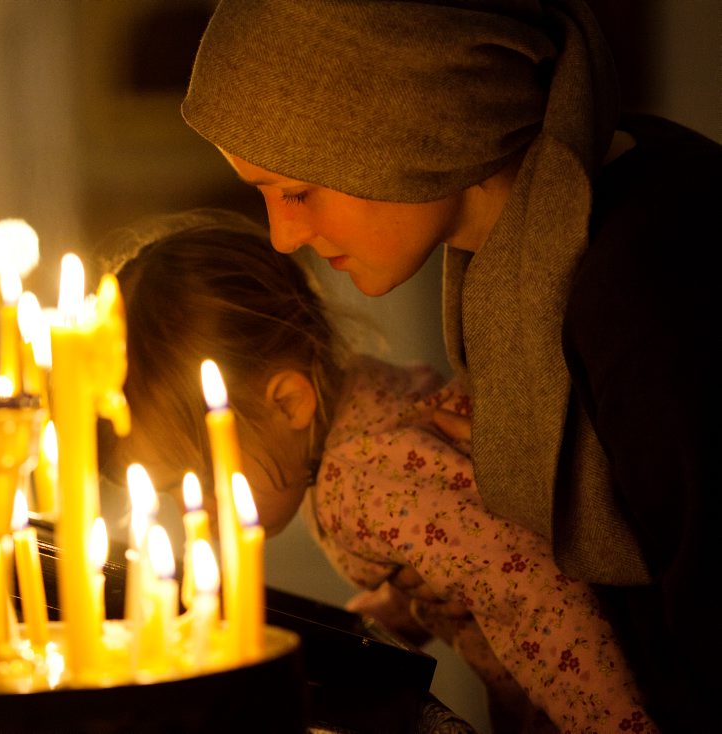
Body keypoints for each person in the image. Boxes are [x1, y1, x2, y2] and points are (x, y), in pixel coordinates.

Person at [178, 1, 721, 731]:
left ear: (411, 123)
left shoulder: (648, 278)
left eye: (298, 190)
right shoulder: (530, 251)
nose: (282, 236)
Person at [98, 209, 656, 733]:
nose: (194, 515)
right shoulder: (357, 398)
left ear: (290, 403)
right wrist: (390, 616)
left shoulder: (355, 483)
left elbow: (527, 584)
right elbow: (454, 542)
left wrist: (608, 723)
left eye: (196, 485)